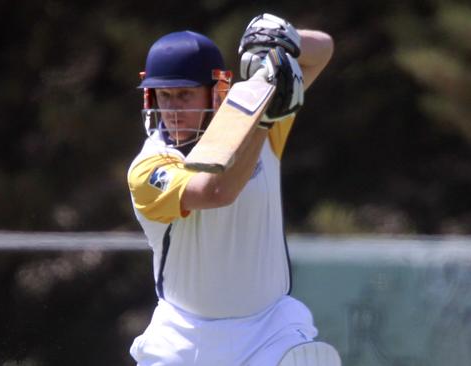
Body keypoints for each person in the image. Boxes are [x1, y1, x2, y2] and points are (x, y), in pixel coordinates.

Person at [127, 13, 334, 366]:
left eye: (184, 95)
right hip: (183, 336)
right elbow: (216, 192)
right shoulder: (149, 167)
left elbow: (323, 49)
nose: (173, 110)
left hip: (271, 328)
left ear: (218, 91)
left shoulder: (255, 121)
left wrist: (284, 42)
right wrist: (265, 118)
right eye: (165, 96)